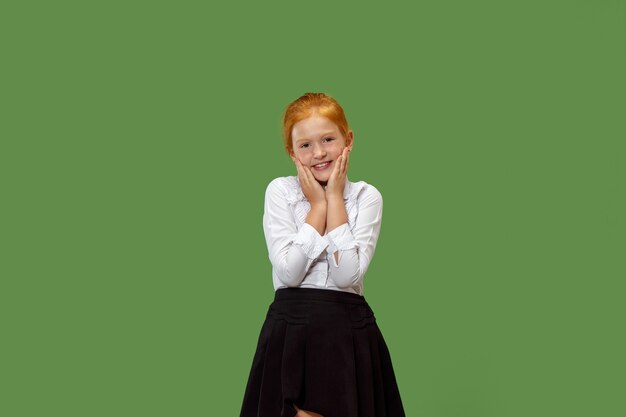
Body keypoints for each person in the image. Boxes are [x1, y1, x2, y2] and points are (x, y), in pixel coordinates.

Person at [239, 93, 406, 417]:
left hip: (347, 332)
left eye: (328, 139)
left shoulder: (365, 196)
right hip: (290, 329)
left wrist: (335, 200)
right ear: (291, 151)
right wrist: (317, 207)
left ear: (348, 140)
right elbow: (289, 274)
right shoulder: (280, 192)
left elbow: (347, 277)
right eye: (305, 145)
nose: (318, 153)